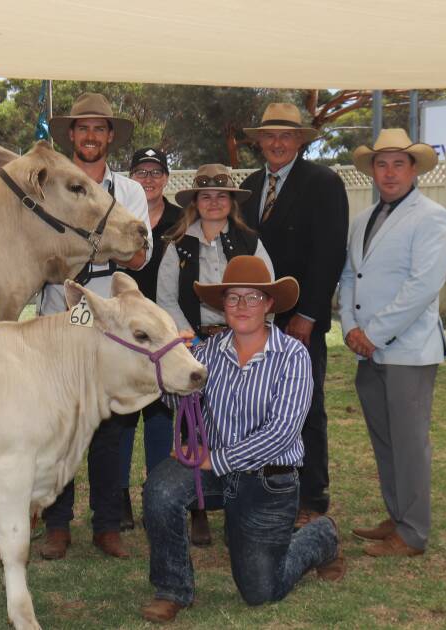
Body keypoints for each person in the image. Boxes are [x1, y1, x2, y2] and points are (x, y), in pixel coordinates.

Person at [140, 255, 345, 623]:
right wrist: (173, 366)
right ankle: (172, 588)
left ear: (269, 304)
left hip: (267, 479)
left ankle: (321, 536)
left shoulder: (293, 357)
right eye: (233, 298)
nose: (242, 306)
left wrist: (212, 460)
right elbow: (176, 400)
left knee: (260, 591)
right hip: (216, 469)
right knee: (160, 489)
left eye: (252, 297)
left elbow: (282, 433)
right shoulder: (207, 354)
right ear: (222, 305)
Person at [37, 92, 152, 561]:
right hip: (64, 312)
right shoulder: (51, 188)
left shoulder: (130, 193)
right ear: (71, 136)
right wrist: (106, 244)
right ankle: (57, 525)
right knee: (61, 423)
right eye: (82, 128)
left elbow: (140, 256)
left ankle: (107, 525)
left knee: (113, 424)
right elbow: (43, 258)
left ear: (110, 137)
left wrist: (86, 246)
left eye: (98, 128)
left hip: (113, 317)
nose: (90, 136)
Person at [339, 129, 446, 558]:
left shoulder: (433, 218)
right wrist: (351, 327)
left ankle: (413, 533)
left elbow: (422, 286)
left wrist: (373, 333)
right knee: (385, 440)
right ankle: (397, 515)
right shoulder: (363, 219)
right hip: (367, 349)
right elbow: (351, 276)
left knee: (409, 443)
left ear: (413, 170)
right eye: (381, 164)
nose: (389, 173)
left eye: (398, 164)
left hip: (406, 350)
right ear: (373, 171)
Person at [239, 102, 348, 529]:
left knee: (306, 404)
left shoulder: (323, 183)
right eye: (271, 135)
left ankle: (312, 497)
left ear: (300, 141)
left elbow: (330, 255)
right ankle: (267, 488)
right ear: (260, 142)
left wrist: (307, 314)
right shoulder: (248, 187)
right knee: (259, 404)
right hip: (255, 320)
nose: (278, 142)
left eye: (287, 135)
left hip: (299, 322)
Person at [156, 163, 273, 546]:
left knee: (241, 419)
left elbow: (266, 287)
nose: (213, 202)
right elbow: (166, 299)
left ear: (231, 202)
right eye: (205, 196)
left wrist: (250, 329)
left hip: (239, 340)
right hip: (197, 345)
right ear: (195, 202)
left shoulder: (249, 241)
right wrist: (184, 334)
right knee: (196, 424)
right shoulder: (178, 245)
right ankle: (199, 508)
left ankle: (244, 501)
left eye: (221, 195)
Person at [105, 147, 182, 535]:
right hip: (126, 332)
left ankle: (158, 492)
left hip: (165, 331)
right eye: (140, 172)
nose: (148, 179)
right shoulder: (120, 216)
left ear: (166, 178)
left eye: (155, 172)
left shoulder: (180, 221)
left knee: (161, 417)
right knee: (121, 416)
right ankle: (117, 497)